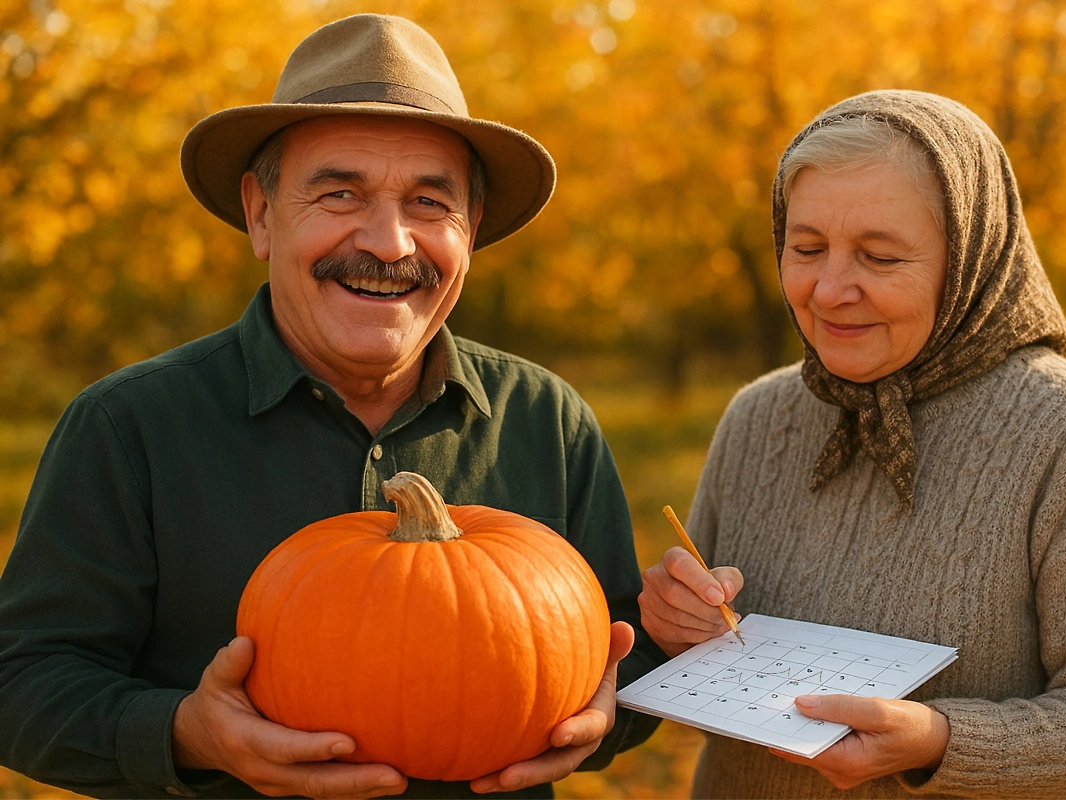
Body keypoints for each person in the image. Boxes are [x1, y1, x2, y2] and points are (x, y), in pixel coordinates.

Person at [0, 14, 664, 799]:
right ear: (260, 214)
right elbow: (23, 683)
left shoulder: (546, 419)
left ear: (471, 229)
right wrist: (187, 732)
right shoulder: (130, 427)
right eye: (339, 192)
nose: (388, 242)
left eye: (428, 202)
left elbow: (624, 654)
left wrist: (600, 718)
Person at [639, 90, 1066, 798]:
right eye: (806, 248)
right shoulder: (758, 418)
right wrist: (679, 630)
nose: (831, 288)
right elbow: (720, 671)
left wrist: (938, 743)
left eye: (880, 256)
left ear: (967, 260)